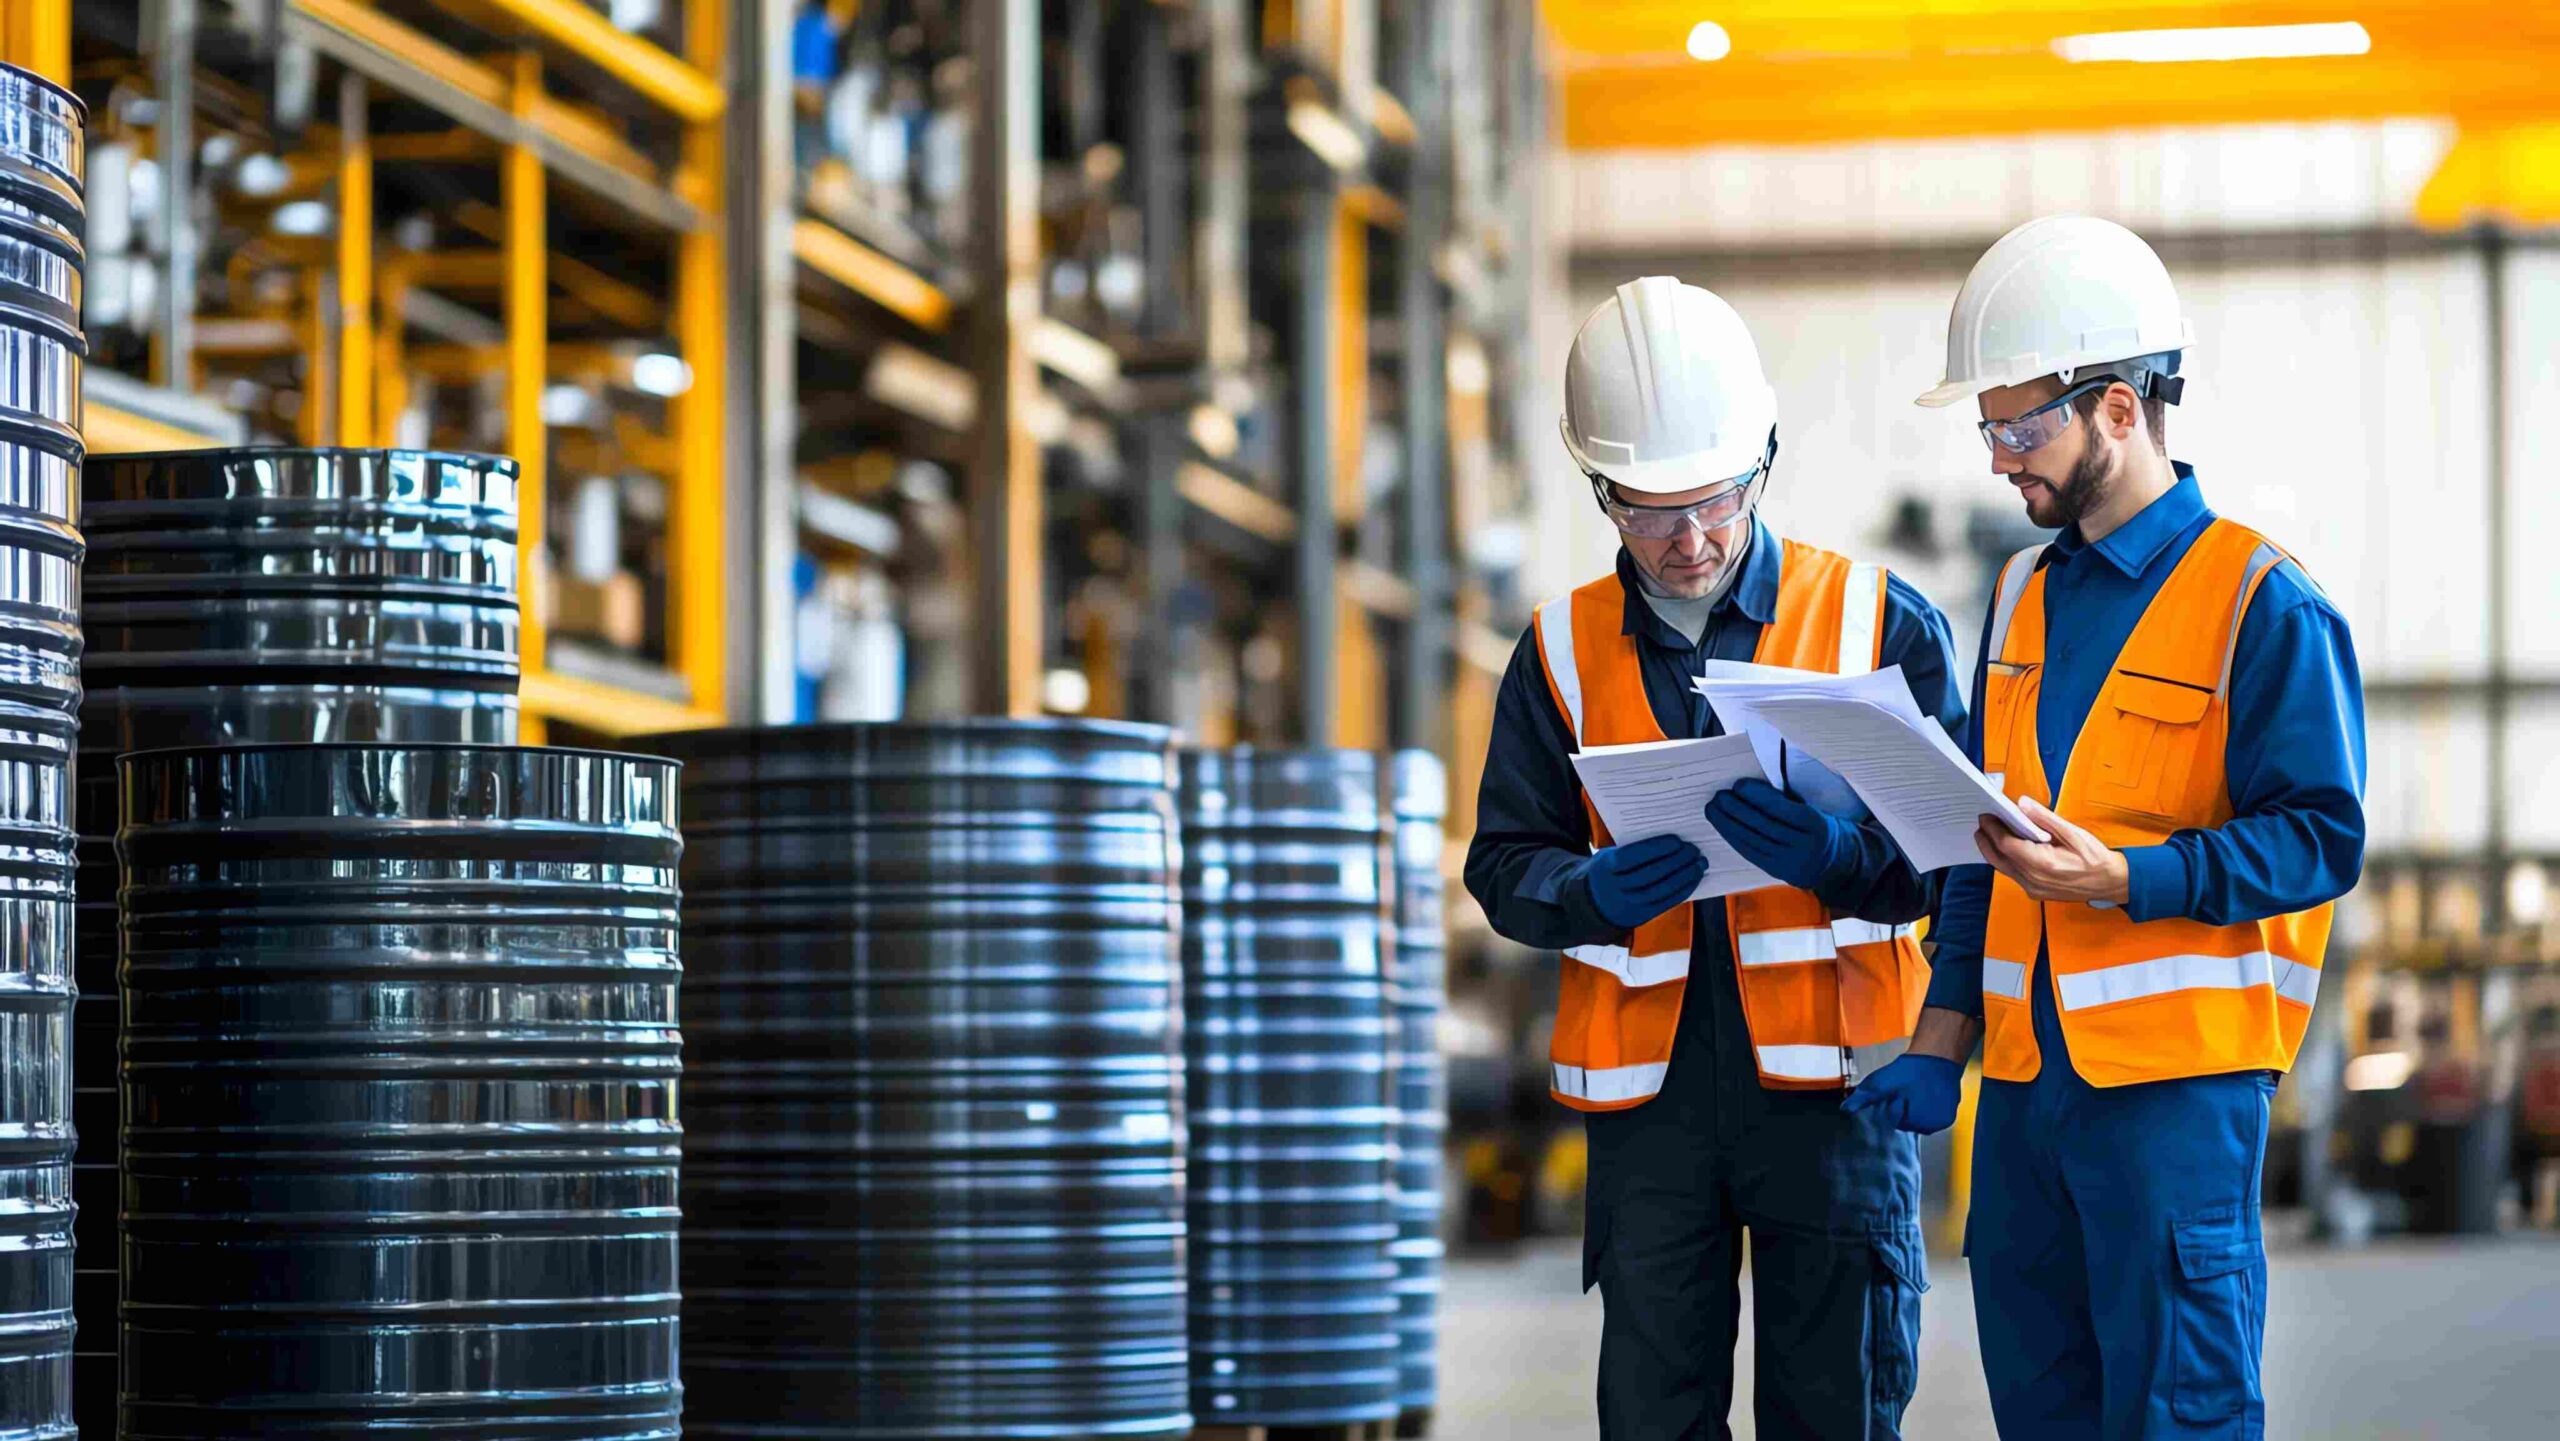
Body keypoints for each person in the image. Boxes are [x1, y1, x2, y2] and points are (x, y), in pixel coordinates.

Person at [1849, 215, 2367, 1440]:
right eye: (1987, 430)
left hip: (2173, 1102)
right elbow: (1980, 846)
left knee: (2177, 1411)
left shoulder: (2261, 602)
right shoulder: (2018, 593)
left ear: (2120, 410)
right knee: (2041, 1409)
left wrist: (2127, 878)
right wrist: (1940, 1037)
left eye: (2021, 428)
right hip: (2023, 1102)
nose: (1998, 461)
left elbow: (2319, 840)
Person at [1463, 276, 1964, 1440]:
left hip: (1837, 1090)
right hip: (1650, 1108)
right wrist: (1581, 889)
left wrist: (1842, 856)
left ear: (1763, 463)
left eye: (1715, 501)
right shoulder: (1556, 651)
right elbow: (1502, 862)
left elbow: (1958, 859)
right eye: (1648, 512)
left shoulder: (1876, 621)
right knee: (1655, 1415)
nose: (1687, 540)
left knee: (1832, 1409)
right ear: (1599, 490)